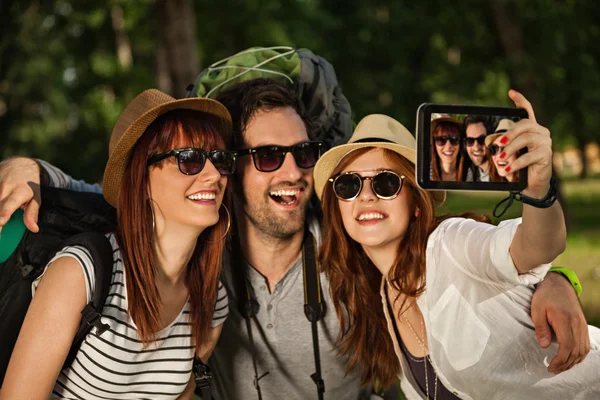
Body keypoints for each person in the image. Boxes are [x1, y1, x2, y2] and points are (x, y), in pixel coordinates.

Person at [0, 80, 591, 399]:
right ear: (237, 171)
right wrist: (35, 172)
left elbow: (465, 248)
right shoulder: (208, 256)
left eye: (303, 153)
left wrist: (552, 279)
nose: (290, 170)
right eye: (265, 155)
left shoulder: (347, 249)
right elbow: (123, 193)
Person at [313, 92, 600, 399]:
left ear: (417, 204)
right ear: (338, 206)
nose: (366, 196)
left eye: (386, 183)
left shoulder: (450, 243)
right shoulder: (378, 296)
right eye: (349, 185)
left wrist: (538, 188)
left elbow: (536, 249)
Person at [0, 89, 233, 399]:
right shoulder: (80, 273)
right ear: (142, 180)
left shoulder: (211, 297)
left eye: (219, 159)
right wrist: (23, 166)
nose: (214, 174)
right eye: (189, 159)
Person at [462, 115, 497, 182]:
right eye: (470, 140)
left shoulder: (502, 171)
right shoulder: (468, 173)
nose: (476, 147)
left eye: (481, 140)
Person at [430, 117, 465, 181]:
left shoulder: (467, 173)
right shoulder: (425, 173)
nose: (448, 146)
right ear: (434, 144)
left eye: (454, 139)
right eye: (441, 139)